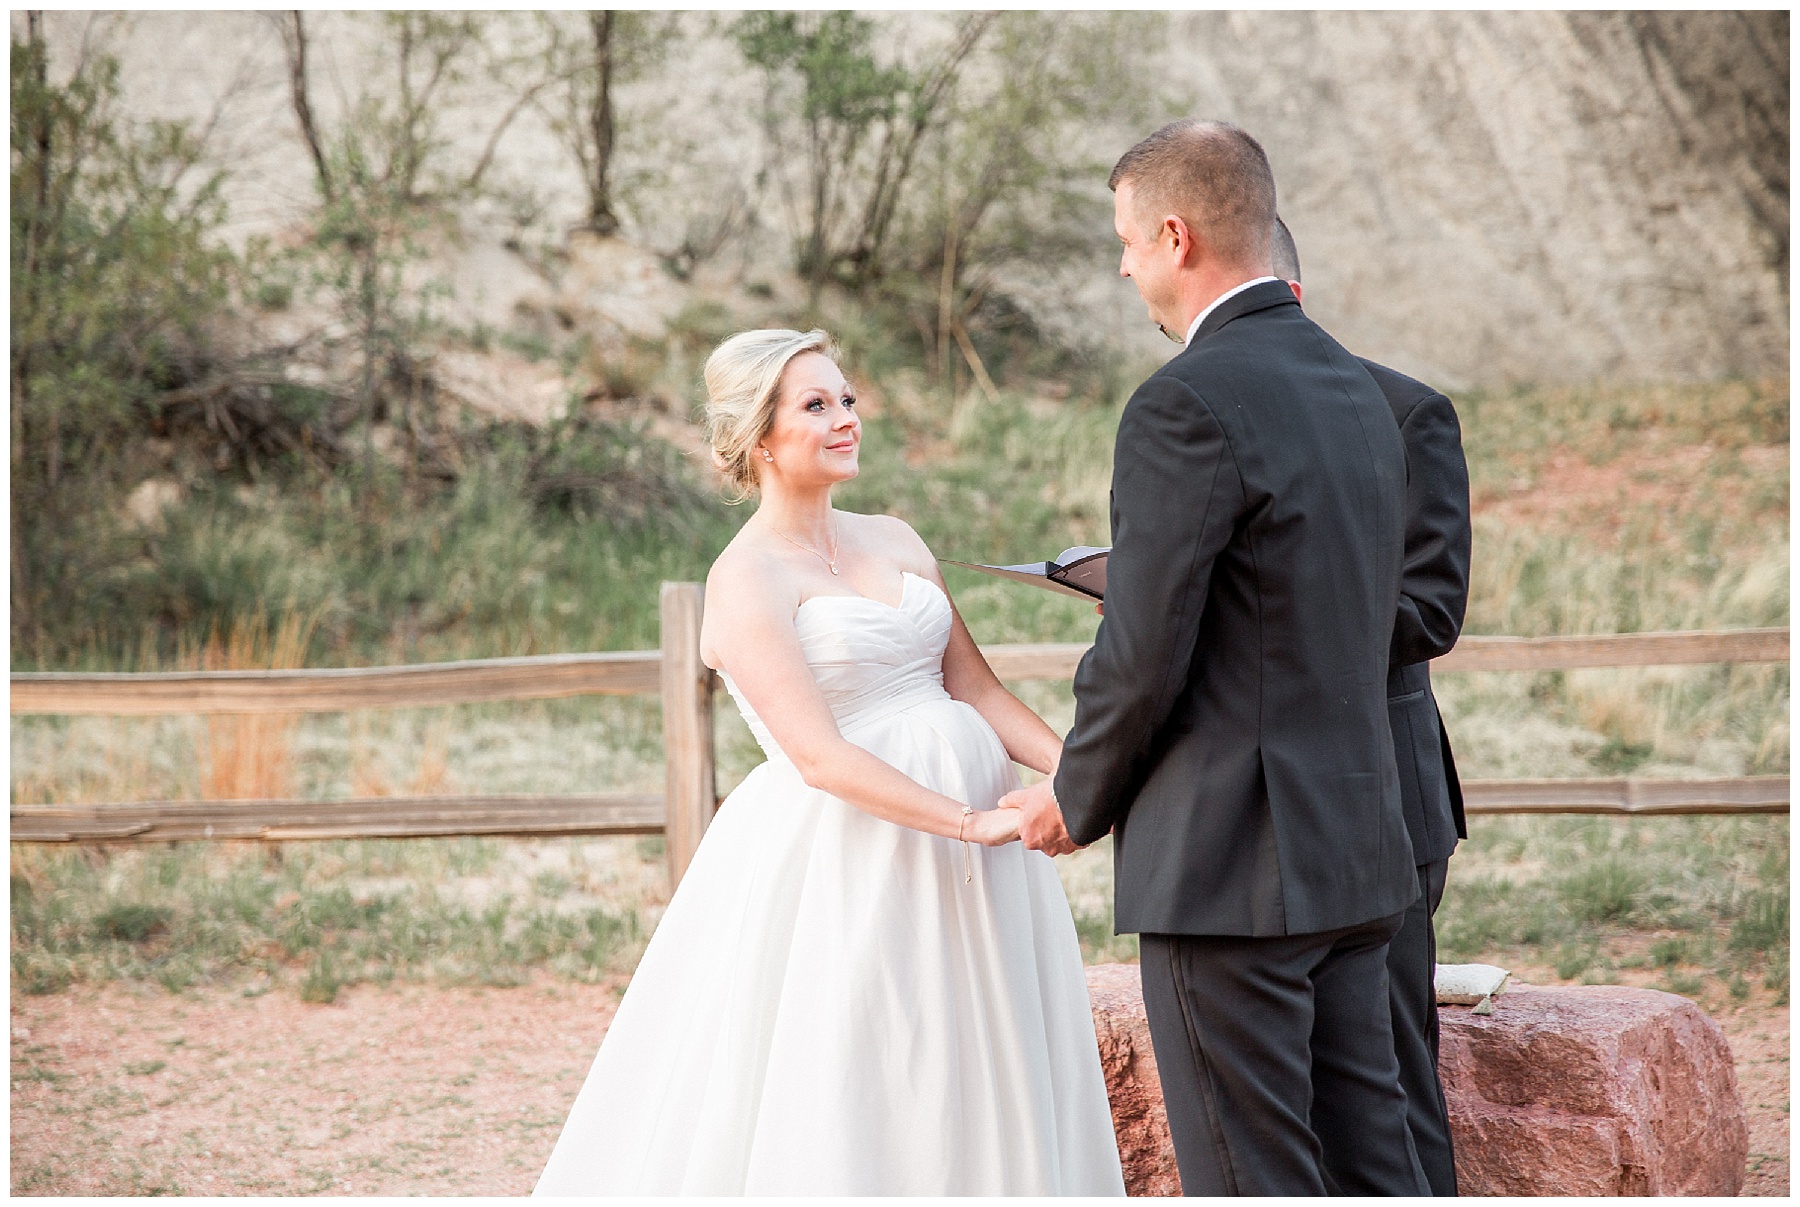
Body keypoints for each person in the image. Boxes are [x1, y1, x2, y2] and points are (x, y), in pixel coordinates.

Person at [534, 328, 1126, 1196]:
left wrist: (1088, 772)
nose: (846, 419)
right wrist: (971, 822)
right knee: (878, 1058)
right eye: (815, 405)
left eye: (846, 399)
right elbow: (818, 755)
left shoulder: (895, 537)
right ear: (758, 437)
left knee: (987, 1043)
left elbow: (980, 694)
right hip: (861, 852)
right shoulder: (744, 577)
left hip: (984, 860)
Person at [1002, 120, 1429, 1195]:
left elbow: (1144, 650)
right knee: (1375, 1163)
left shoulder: (1181, 403)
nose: (1123, 262)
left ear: (1177, 237)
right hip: (1359, 843)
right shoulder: (1363, 394)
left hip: (1231, 870)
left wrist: (1076, 791)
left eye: (1128, 240)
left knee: (1251, 1176)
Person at [1273, 216, 1471, 1195]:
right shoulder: (1208, 414)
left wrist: (1268, 609)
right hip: (1255, 805)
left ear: (1289, 296)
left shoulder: (1406, 412)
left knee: (1387, 1080)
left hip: (1385, 792)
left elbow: (1430, 610)